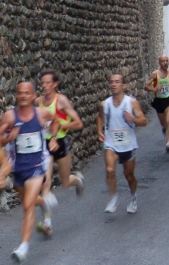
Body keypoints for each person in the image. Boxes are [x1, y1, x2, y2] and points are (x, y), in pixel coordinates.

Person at [0, 81, 60, 263]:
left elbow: (55, 121)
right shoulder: (10, 116)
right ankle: (44, 205)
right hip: (18, 166)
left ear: (34, 96)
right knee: (30, 201)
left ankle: (23, 247)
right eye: (20, 93)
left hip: (37, 165)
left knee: (27, 206)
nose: (23, 96)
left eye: (27, 93)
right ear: (17, 96)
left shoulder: (41, 114)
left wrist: (53, 138)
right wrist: (10, 137)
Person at [35, 69, 85, 236]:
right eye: (42, 83)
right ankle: (48, 224)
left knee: (65, 182)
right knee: (45, 184)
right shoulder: (38, 102)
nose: (44, 85)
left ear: (55, 84)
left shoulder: (61, 100)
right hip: (46, 145)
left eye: (48, 82)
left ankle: (77, 180)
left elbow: (78, 123)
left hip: (61, 143)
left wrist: (61, 125)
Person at [97, 74, 148, 214]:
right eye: (112, 82)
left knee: (129, 175)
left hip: (128, 145)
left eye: (117, 82)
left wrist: (132, 119)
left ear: (124, 85)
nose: (114, 84)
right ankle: (114, 198)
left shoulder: (131, 103)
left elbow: (144, 121)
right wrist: (99, 131)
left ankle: (133, 197)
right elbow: (100, 117)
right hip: (111, 144)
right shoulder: (104, 104)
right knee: (110, 170)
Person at [145, 56, 169, 152]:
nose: (165, 63)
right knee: (163, 123)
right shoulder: (155, 74)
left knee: (168, 120)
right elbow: (146, 87)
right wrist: (154, 89)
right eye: (163, 61)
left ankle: (168, 143)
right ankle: (165, 129)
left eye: (166, 61)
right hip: (159, 101)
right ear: (159, 63)